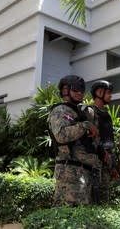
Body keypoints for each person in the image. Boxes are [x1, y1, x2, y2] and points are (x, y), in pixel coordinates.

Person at [48, 75, 100, 206]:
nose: (80, 93)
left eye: (82, 90)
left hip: (86, 171)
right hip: (69, 172)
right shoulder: (60, 110)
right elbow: (61, 135)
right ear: (65, 91)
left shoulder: (83, 111)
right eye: (76, 89)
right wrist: (85, 125)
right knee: (65, 214)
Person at [85, 80, 118, 204]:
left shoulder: (106, 114)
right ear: (99, 92)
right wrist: (101, 153)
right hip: (95, 160)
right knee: (94, 194)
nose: (111, 96)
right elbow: (90, 137)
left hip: (106, 159)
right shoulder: (90, 112)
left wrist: (113, 165)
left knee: (104, 195)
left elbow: (109, 139)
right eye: (108, 93)